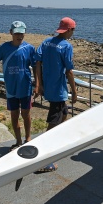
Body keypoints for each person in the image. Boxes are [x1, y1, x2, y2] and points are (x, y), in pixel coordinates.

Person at [34, 17, 78, 172]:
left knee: (64, 113)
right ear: (70, 30)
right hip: (58, 90)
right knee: (53, 123)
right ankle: (44, 160)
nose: (73, 33)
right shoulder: (66, 46)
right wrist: (74, 91)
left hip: (49, 87)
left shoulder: (46, 42)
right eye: (73, 30)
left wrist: (39, 83)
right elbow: (69, 71)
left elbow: (37, 62)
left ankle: (58, 141)